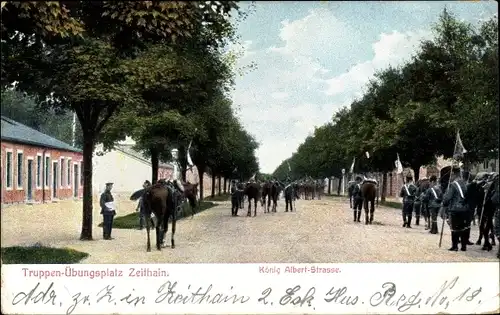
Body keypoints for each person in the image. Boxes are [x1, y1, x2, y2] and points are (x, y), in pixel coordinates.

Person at [442, 167, 469, 251]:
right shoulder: (464, 183)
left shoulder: (453, 184)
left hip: (455, 209)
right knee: (463, 227)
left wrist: (444, 202)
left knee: (454, 228)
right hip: (464, 209)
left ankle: (455, 246)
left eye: (452, 175)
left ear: (453, 174)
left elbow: (448, 198)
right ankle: (463, 246)